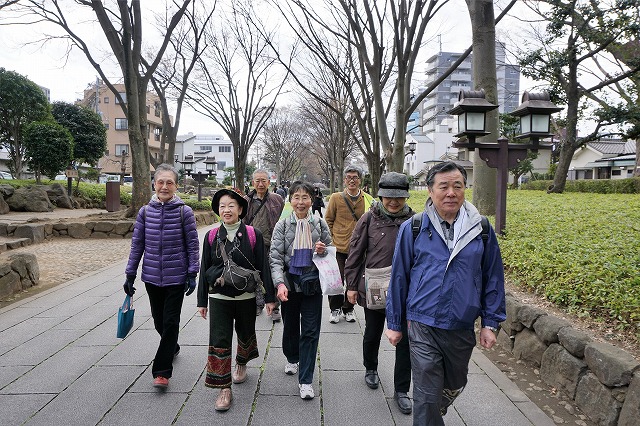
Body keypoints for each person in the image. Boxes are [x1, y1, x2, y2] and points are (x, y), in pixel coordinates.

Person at [385, 161, 506, 425]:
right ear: (430, 190)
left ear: (465, 189)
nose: (451, 192)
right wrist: (394, 323)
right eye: (444, 186)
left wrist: (490, 322)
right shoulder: (414, 228)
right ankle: (428, 413)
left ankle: (432, 409)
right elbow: (399, 278)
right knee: (427, 392)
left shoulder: (481, 230)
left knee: (454, 382)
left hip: (461, 324)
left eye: (457, 186)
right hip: (422, 322)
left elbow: (493, 278)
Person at [197, 188, 276, 412]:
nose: (226, 210)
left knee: (245, 333)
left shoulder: (253, 235)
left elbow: (264, 267)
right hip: (219, 297)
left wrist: (270, 298)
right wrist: (202, 301)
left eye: (231, 205)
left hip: (246, 297)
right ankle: (224, 388)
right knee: (219, 340)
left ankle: (241, 363)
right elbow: (204, 269)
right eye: (222, 206)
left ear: (241, 209)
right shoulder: (211, 236)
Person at [123, 163, 200, 389]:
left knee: (170, 321)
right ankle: (172, 346)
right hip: (152, 277)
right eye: (160, 182)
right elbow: (137, 244)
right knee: (159, 321)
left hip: (176, 277)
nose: (164, 186)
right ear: (154, 184)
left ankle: (162, 371)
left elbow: (193, 245)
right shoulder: (145, 212)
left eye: (169, 182)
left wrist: (192, 272)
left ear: (176, 186)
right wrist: (130, 274)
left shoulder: (184, 212)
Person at [345, 172, 414, 414]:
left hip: (406, 291)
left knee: (404, 341)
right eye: (388, 197)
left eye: (398, 198)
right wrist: (351, 286)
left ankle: (402, 389)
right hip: (374, 287)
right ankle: (371, 367)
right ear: (381, 196)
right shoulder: (369, 218)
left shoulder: (415, 221)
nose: (393, 202)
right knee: (373, 332)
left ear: (405, 197)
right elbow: (355, 253)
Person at [270, 181, 332, 400]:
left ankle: (306, 380)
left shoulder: (320, 224)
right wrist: (279, 283)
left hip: (312, 284)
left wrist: (323, 250)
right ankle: (292, 356)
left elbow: (329, 252)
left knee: (310, 331)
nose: (301, 202)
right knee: (290, 327)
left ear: (312, 200)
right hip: (289, 283)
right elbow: (275, 258)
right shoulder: (283, 226)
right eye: (296, 197)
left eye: (305, 197)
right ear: (290, 200)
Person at [324, 165, 373, 323]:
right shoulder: (336, 198)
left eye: (355, 177)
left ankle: (348, 308)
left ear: (360, 180)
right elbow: (329, 220)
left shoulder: (367, 199)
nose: (352, 180)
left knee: (354, 280)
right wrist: (332, 238)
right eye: (349, 177)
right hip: (338, 246)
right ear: (344, 180)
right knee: (336, 279)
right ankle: (335, 308)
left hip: (359, 248)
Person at [243, 169, 285, 320]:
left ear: (269, 182)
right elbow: (242, 222)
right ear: (252, 182)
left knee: (274, 274)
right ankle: (258, 303)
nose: (260, 184)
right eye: (257, 181)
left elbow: (282, 219)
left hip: (273, 242)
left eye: (264, 181)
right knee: (255, 275)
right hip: (252, 243)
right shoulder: (245, 201)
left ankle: (275, 307)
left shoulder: (277, 199)